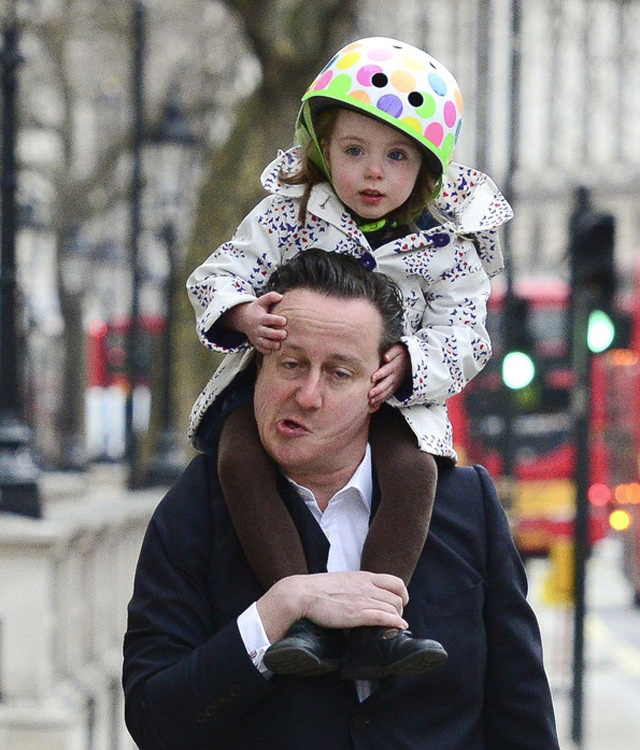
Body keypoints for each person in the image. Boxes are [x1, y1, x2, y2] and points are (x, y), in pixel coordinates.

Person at [123, 250, 560, 750]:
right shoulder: (194, 508)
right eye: (291, 364)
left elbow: (521, 712)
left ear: (381, 386)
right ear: (257, 368)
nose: (307, 395)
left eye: (338, 374)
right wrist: (278, 611)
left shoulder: (465, 505)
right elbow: (154, 720)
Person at [186, 36, 512, 677]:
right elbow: (219, 272)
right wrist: (244, 313)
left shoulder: (446, 245)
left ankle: (376, 625)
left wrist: (415, 362)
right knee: (238, 457)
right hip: (288, 388)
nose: (372, 173)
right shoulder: (290, 211)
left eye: (396, 157)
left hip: (389, 394)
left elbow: (471, 334)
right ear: (322, 150)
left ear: (425, 169)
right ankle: (303, 621)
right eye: (354, 151)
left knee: (412, 474)